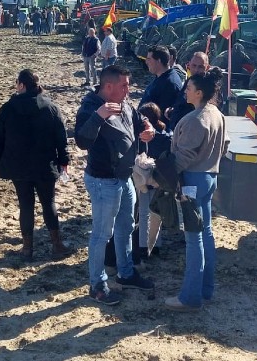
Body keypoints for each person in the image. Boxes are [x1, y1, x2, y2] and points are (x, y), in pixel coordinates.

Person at [75, 64, 156, 305]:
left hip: (124, 177)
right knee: (102, 234)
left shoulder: (125, 103)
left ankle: (126, 273)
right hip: (103, 181)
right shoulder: (90, 106)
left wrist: (148, 128)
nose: (128, 90)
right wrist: (98, 117)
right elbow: (81, 140)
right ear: (108, 86)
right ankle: (97, 284)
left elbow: (138, 118)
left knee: (126, 226)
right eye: (124, 85)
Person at [0, 69, 74, 261]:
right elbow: (61, 138)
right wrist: (64, 161)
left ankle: (27, 249)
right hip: (45, 164)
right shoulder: (51, 107)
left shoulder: (8, 108)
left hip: (18, 166)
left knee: (26, 205)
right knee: (49, 203)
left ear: (22, 85)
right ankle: (57, 245)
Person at [165, 67, 226, 312]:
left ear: (199, 93)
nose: (185, 91)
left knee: (193, 238)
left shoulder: (195, 119)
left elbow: (184, 156)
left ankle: (190, 297)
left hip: (192, 180)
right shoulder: (217, 114)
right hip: (210, 176)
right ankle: (206, 289)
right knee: (206, 233)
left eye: (188, 88)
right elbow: (225, 146)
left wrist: (167, 176)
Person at [135, 102, 172, 263]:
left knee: (144, 213)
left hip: (145, 178)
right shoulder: (165, 134)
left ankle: (144, 247)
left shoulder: (144, 136)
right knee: (158, 213)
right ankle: (156, 245)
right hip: (162, 178)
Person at [167, 52, 209, 131]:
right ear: (188, 65)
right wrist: (172, 111)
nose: (196, 70)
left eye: (200, 67)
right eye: (194, 65)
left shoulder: (207, 87)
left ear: (207, 67)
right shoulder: (189, 81)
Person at [141, 46, 184, 115]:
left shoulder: (170, 84)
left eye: (149, 59)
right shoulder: (161, 77)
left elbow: (163, 116)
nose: (146, 62)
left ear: (159, 61)